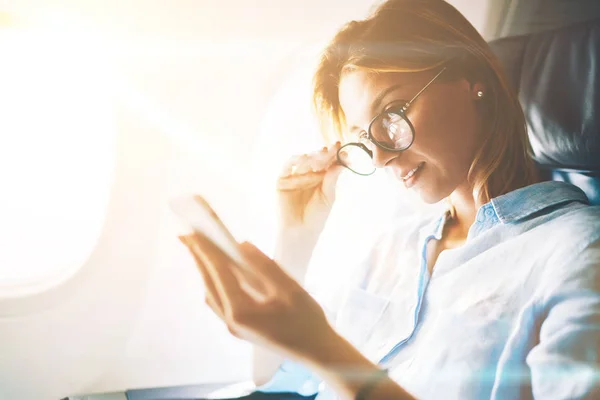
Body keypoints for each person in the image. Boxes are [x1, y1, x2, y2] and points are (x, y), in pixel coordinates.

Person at [178, 0, 600, 399]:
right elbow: (274, 377)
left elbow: (323, 358)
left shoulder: (578, 250)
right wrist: (296, 238)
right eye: (364, 136)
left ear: (475, 83)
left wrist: (324, 348)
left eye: (393, 113)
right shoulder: (392, 248)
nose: (378, 156)